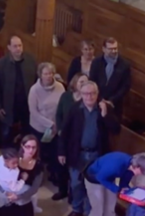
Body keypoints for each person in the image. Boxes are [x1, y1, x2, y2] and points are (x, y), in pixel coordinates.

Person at [58, 81, 121, 216]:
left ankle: (88, 211)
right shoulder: (75, 109)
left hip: (97, 155)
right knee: (76, 184)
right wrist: (61, 152)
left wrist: (105, 115)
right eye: (86, 94)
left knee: (92, 187)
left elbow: (116, 129)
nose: (89, 97)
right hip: (77, 154)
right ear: (81, 94)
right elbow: (65, 132)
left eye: (92, 93)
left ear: (97, 94)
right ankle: (77, 209)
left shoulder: (105, 108)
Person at [0, 35, 37, 147]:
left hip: (27, 105)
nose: (18, 49)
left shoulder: (31, 60)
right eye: (15, 46)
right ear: (9, 47)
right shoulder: (1, 64)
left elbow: (36, 82)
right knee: (7, 135)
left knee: (27, 134)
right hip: (9, 105)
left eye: (20, 46)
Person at [27, 63, 65, 188]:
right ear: (40, 75)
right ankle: (37, 177)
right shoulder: (34, 90)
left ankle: (54, 175)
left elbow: (62, 106)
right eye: (46, 74)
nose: (49, 76)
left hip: (55, 128)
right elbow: (33, 112)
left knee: (55, 153)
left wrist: (57, 124)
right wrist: (50, 124)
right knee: (39, 154)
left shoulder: (60, 87)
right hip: (39, 128)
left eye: (51, 73)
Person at [0, 135, 44, 216]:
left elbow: (35, 188)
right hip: (7, 198)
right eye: (28, 147)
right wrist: (5, 192)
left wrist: (18, 197)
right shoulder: (12, 158)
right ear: (22, 146)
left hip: (23, 201)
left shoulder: (39, 166)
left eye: (34, 147)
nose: (31, 150)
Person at [84, 152, 145, 216]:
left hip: (109, 178)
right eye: (142, 171)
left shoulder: (131, 168)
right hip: (94, 179)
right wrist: (117, 189)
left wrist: (125, 189)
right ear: (137, 167)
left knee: (110, 206)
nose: (142, 174)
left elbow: (124, 181)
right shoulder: (116, 166)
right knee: (98, 208)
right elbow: (100, 177)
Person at [89, 37, 131, 117]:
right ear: (104, 49)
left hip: (115, 105)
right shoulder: (96, 62)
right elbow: (92, 80)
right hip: (96, 101)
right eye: (111, 49)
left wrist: (112, 100)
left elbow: (125, 86)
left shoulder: (124, 65)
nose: (114, 51)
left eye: (115, 48)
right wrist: (100, 99)